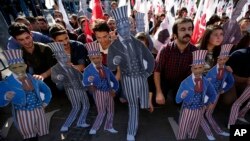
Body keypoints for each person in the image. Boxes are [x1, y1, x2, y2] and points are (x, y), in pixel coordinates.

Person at [107, 6, 155, 141]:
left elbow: (150, 59)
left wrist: (146, 73)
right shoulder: (114, 46)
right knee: (133, 105)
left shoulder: (138, 42)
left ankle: (144, 101)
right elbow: (111, 66)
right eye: (121, 28)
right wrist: (115, 61)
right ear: (117, 29)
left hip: (141, 77)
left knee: (142, 102)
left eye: (126, 27)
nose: (124, 30)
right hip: (127, 78)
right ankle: (131, 131)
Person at [0, 49, 52, 141]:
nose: (18, 69)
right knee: (29, 133)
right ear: (10, 68)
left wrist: (45, 102)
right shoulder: (7, 83)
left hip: (38, 110)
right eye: (14, 67)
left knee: (39, 130)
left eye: (20, 66)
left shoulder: (34, 78)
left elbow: (47, 91)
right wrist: (5, 96)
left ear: (25, 66)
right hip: (23, 113)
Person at [154, 18, 197, 105]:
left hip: (182, 83)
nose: (187, 32)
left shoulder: (195, 51)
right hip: (165, 80)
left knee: (182, 103)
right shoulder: (165, 50)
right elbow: (157, 71)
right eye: (183, 29)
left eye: (189, 29)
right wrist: (159, 92)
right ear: (175, 34)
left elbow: (195, 74)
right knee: (156, 102)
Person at [175, 50, 216, 140]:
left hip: (200, 108)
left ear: (203, 68)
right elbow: (177, 99)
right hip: (188, 109)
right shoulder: (185, 82)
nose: (198, 71)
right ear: (191, 68)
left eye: (200, 68)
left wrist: (210, 102)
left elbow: (213, 93)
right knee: (183, 126)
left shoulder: (206, 82)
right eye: (195, 68)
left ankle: (192, 137)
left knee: (195, 126)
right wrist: (182, 95)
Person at [49, 42, 90, 132]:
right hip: (71, 89)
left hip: (81, 87)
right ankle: (66, 124)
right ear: (57, 57)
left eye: (66, 56)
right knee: (76, 106)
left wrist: (86, 82)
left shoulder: (72, 66)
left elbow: (80, 75)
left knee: (86, 105)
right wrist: (59, 77)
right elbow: (54, 78)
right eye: (63, 57)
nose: (66, 58)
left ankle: (81, 121)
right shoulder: (55, 68)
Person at [83, 42, 119, 135]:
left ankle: (109, 126)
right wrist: (89, 81)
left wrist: (114, 89)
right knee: (101, 111)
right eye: (93, 58)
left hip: (109, 91)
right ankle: (95, 127)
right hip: (98, 92)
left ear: (101, 57)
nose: (96, 60)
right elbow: (84, 82)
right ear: (90, 59)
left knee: (111, 110)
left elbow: (114, 80)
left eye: (98, 57)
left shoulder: (106, 69)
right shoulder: (88, 70)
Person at [200, 44, 234, 140]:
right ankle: (209, 133)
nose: (222, 61)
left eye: (225, 59)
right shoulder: (211, 69)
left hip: (217, 93)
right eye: (220, 59)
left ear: (227, 59)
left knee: (208, 113)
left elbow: (231, 81)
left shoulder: (227, 69)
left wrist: (224, 89)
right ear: (217, 58)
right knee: (201, 114)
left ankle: (219, 131)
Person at [8, 22, 56, 88]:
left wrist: (42, 76)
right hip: (34, 84)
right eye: (21, 40)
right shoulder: (19, 55)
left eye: (27, 37)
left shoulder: (44, 48)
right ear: (17, 41)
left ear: (31, 34)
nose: (26, 42)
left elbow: (55, 67)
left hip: (52, 80)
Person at [227, 44, 250, 128]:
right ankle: (231, 122)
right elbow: (227, 74)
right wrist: (245, 80)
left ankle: (241, 115)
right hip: (230, 81)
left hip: (245, 84)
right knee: (231, 100)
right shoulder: (239, 54)